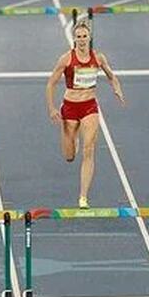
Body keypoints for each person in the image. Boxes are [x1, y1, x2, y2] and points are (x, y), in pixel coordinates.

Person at [46, 17, 125, 209]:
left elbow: (111, 76)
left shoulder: (98, 58)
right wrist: (52, 108)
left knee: (89, 150)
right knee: (69, 156)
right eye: (78, 36)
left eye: (84, 36)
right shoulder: (66, 59)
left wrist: (117, 88)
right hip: (70, 108)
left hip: (89, 107)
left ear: (90, 37)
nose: (81, 39)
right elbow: (51, 84)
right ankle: (72, 138)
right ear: (74, 39)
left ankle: (83, 197)